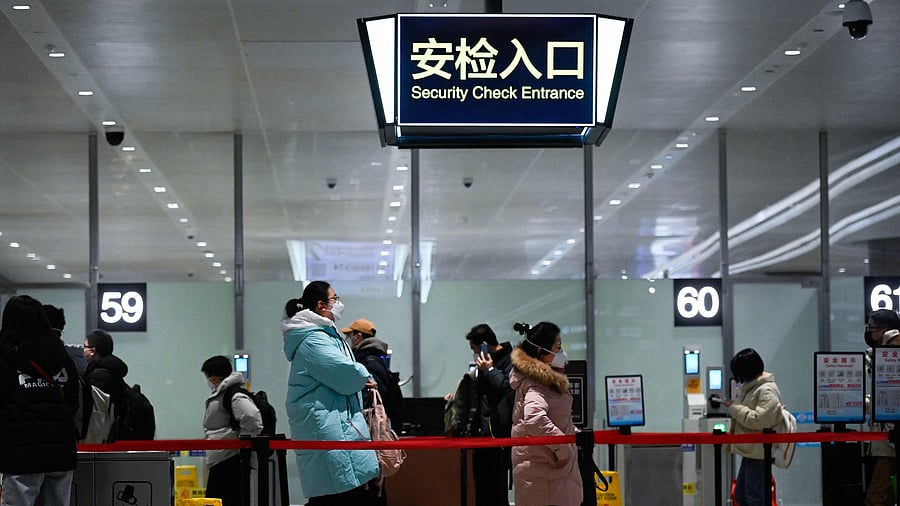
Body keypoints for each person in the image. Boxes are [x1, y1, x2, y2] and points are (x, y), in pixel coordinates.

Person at [281, 281, 380, 505]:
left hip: (334, 427)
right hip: (328, 430)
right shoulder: (313, 339)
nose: (339, 303)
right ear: (321, 305)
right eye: (335, 298)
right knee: (334, 494)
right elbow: (347, 375)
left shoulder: (322, 334)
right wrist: (365, 376)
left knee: (340, 493)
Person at [0, 295, 79, 506]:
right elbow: (73, 402)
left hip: (21, 452)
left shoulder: (6, 357)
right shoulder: (61, 355)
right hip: (61, 450)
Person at [508, 321, 581, 506]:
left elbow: (553, 417)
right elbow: (534, 419)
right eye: (558, 347)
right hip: (545, 475)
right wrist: (563, 449)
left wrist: (572, 433)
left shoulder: (542, 380)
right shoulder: (537, 382)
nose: (562, 353)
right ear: (541, 352)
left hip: (545, 472)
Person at [717, 348, 783, 506]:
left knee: (754, 497)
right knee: (742, 495)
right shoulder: (754, 389)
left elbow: (759, 420)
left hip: (759, 453)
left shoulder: (766, 390)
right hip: (753, 451)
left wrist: (734, 408)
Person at [201, 355, 264, 506]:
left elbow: (252, 417)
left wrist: (242, 444)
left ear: (214, 378)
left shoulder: (234, 395)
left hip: (230, 459)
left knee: (227, 499)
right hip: (221, 457)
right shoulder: (223, 394)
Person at [465, 323, 514, 506]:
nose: (475, 353)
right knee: (482, 488)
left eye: (475, 349)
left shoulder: (510, 360)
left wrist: (490, 371)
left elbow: (509, 389)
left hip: (499, 434)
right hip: (482, 434)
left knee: (496, 489)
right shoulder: (484, 364)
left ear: (484, 345)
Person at [864, 309, 900, 506]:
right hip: (887, 436)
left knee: (876, 497)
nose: (871, 334)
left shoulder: (888, 355)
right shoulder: (879, 356)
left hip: (891, 438)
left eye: (874, 329)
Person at [343, 318, 403, 427]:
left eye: (349, 336)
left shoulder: (368, 362)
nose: (348, 340)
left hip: (371, 422)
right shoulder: (374, 358)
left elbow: (376, 393)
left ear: (358, 336)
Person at [83, 329, 129, 423]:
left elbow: (95, 416)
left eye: (84, 347)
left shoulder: (97, 379)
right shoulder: (113, 373)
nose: (83, 351)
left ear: (92, 351)